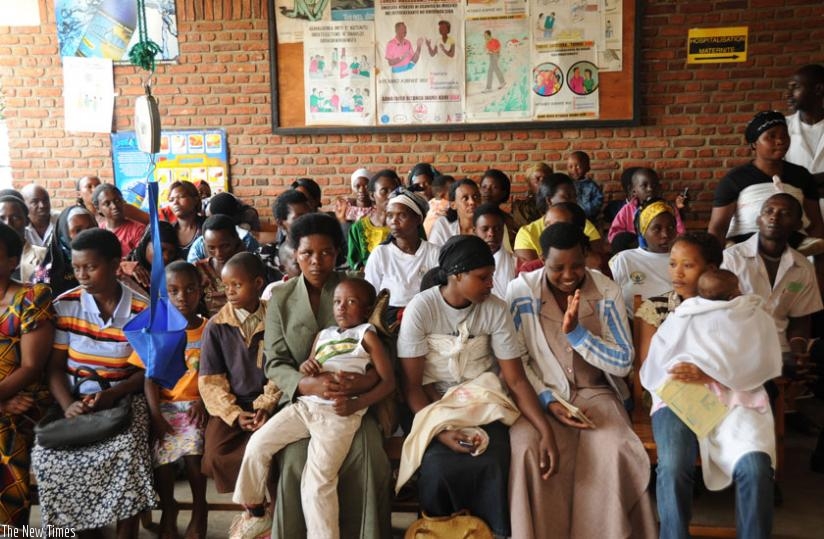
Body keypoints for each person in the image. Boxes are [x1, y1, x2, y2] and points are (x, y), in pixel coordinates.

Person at [397, 235, 559, 537]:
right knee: (437, 467)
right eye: (483, 278)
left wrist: (544, 429)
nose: (490, 285)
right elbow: (413, 387)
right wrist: (441, 432)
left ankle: (490, 533)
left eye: (491, 277)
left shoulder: (495, 309)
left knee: (495, 462)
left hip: (482, 404)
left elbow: (515, 379)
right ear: (456, 275)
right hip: (431, 408)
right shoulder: (422, 309)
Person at [506, 222, 656, 539]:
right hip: (540, 394)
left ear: (587, 255)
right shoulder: (521, 292)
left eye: (576, 264)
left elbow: (622, 360)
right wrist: (546, 399)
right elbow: (517, 360)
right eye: (556, 267)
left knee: (614, 446)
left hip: (596, 393)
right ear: (541, 261)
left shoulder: (605, 291)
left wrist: (579, 336)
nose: (568, 274)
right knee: (526, 447)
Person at [233, 278, 394, 539]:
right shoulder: (324, 334)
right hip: (305, 407)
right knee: (258, 443)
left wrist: (357, 403)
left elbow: (389, 382)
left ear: (365, 310)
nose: (341, 308)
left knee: (317, 484)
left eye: (351, 302)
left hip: (337, 415)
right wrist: (306, 366)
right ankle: (253, 509)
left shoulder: (366, 336)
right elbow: (311, 364)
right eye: (338, 301)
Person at [264, 212, 392, 539]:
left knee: (369, 453)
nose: (316, 261)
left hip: (351, 404)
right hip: (303, 402)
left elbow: (379, 354)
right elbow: (275, 361)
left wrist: (360, 385)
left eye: (326, 253)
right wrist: (305, 383)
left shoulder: (353, 288)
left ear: (337, 253)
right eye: (307, 253)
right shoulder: (280, 297)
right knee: (294, 460)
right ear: (295, 254)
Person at [640, 267, 782, 539]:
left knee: (755, 466)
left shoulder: (752, 315)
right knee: (673, 464)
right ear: (734, 290)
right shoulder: (681, 316)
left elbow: (760, 362)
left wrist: (711, 373)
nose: (678, 271)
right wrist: (687, 372)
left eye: (688, 264)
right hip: (683, 397)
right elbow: (656, 367)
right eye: (673, 263)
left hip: (738, 398)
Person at [32, 228, 155, 536]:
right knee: (49, 456)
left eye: (91, 266)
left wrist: (114, 394)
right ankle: (82, 529)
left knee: (127, 450)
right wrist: (69, 405)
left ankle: (126, 531)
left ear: (116, 265)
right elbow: (56, 369)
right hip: (74, 398)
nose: (82, 275)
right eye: (76, 268)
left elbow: (147, 371)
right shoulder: (66, 305)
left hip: (125, 397)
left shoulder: (142, 310)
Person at [128, 261, 208, 539]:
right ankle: (169, 508)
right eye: (173, 291)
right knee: (162, 460)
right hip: (164, 408)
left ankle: (200, 509)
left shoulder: (210, 330)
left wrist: (204, 402)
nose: (182, 297)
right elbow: (148, 378)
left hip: (197, 406)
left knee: (194, 456)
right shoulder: (157, 332)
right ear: (164, 295)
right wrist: (156, 415)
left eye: (189, 289)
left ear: (201, 291)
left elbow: (218, 373)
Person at [199, 253, 281, 505]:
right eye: (226, 286)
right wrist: (234, 414)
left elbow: (282, 369)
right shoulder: (217, 325)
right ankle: (254, 510)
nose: (230, 292)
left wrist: (265, 406)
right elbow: (210, 380)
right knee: (215, 454)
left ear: (258, 284)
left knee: (275, 453)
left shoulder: (276, 319)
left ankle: (278, 513)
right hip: (233, 404)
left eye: (237, 285)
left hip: (273, 402)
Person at [722, 194, 822, 359]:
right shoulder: (732, 259)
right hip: (737, 348)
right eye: (769, 211)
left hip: (781, 350)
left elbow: (800, 320)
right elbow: (718, 312)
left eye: (785, 213)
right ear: (758, 220)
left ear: (798, 224)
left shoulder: (803, 267)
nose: (774, 217)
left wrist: (798, 354)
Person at [708, 111, 824, 251]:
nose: (780, 141)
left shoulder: (801, 176)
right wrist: (715, 262)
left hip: (794, 249)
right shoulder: (735, 179)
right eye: (772, 136)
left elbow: (816, 224)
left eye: (784, 135)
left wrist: (819, 260)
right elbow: (718, 228)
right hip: (744, 251)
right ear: (754, 144)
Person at [0, 222, 53, 526]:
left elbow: (31, 367)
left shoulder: (32, 298)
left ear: (11, 260)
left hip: (21, 397)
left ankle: (10, 527)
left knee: (8, 432)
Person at [365, 188, 439, 326]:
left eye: (402, 216)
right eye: (390, 215)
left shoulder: (434, 253)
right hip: (387, 321)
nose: (394, 221)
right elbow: (370, 295)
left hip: (426, 318)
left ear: (418, 219)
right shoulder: (381, 254)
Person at [513, 174, 603, 267]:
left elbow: (598, 261)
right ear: (549, 201)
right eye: (567, 197)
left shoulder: (585, 225)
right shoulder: (527, 233)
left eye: (575, 197)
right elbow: (529, 271)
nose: (574, 202)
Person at [608, 199, 677, 316]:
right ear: (643, 231)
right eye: (657, 229)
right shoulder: (625, 259)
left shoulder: (681, 259)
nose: (665, 235)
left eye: (671, 228)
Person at [32, 206, 98, 296]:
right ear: (64, 234)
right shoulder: (45, 274)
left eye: (91, 228)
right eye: (78, 230)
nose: (86, 234)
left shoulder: (108, 260)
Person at [608, 167, 686, 243]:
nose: (650, 189)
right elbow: (614, 234)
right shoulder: (627, 210)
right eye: (644, 186)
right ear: (634, 191)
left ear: (659, 187)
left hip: (664, 249)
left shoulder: (669, 208)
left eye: (654, 185)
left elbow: (680, 232)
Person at [194, 215, 250, 316]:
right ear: (204, 245)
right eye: (211, 248)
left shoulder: (249, 268)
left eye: (225, 246)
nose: (218, 253)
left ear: (235, 239)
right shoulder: (198, 270)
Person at [347, 169, 400, 270]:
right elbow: (353, 263)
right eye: (384, 191)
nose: (391, 196)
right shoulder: (358, 228)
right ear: (372, 195)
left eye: (395, 191)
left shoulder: (410, 225)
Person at [785, 64, 824, 199]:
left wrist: (803, 184)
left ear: (818, 89)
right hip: (798, 213)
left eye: (796, 87)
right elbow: (777, 174)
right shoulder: (783, 126)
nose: (788, 94)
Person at [0, 193, 45, 283]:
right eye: (1, 218)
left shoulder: (42, 256)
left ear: (27, 221)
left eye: (15, 217)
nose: (8, 223)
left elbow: (44, 290)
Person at [92, 184, 146, 259]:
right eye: (107, 203)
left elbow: (141, 260)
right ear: (98, 208)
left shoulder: (138, 230)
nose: (114, 206)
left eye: (117, 200)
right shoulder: (98, 231)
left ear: (123, 201)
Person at [474, 203, 515, 299]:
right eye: (485, 229)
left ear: (503, 231)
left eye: (497, 229)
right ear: (474, 231)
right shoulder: (466, 265)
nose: (491, 234)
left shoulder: (516, 263)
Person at [428, 179, 481, 247]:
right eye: (465, 198)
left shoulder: (489, 226)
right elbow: (434, 255)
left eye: (475, 197)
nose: (472, 202)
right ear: (453, 205)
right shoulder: (443, 225)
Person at [166, 180, 205, 260]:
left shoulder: (207, 226)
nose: (175, 203)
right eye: (171, 200)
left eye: (181, 197)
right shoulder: (168, 230)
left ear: (195, 199)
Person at [479, 168, 518, 246]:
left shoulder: (509, 223)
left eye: (494, 187)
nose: (487, 191)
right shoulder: (469, 216)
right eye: (484, 187)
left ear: (503, 193)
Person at [511, 162, 552, 228]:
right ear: (529, 184)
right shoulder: (521, 207)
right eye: (537, 179)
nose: (542, 182)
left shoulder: (558, 202)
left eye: (546, 179)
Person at [567, 151, 604, 221]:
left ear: (587, 168)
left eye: (578, 166)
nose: (574, 170)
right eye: (570, 167)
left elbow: (599, 200)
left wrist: (587, 210)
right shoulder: (566, 184)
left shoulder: (592, 185)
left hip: (589, 218)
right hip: (570, 217)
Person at [21, 183, 58, 247]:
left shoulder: (61, 220)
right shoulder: (20, 226)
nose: (42, 205)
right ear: (24, 205)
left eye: (45, 200)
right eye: (35, 201)